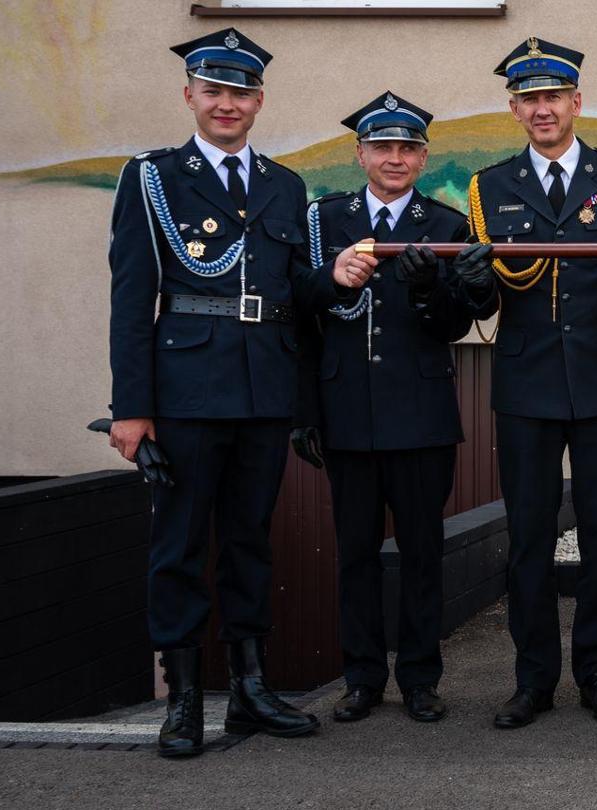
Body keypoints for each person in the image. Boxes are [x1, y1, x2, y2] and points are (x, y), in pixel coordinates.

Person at [108, 27, 348, 757]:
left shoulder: (285, 184)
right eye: (214, 90)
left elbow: (292, 296)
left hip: (263, 389)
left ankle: (249, 689)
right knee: (178, 544)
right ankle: (182, 701)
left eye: (241, 92)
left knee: (250, 543)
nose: (227, 104)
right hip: (185, 389)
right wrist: (131, 407)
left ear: (259, 101)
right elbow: (131, 297)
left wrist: (333, 281)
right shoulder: (153, 176)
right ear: (191, 96)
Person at [448, 36, 597, 729]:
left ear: (576, 102)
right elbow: (480, 304)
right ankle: (534, 679)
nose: (543, 109)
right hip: (526, 386)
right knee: (530, 540)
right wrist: (472, 285)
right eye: (530, 99)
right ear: (515, 109)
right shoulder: (489, 187)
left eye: (554, 97)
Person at [296, 91, 493, 725]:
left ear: (424, 157)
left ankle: (419, 678)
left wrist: (431, 287)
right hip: (347, 411)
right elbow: (297, 310)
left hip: (420, 413)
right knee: (354, 552)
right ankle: (361, 678)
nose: (395, 158)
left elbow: (460, 319)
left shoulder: (445, 225)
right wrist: (306, 411)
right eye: (383, 147)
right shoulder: (323, 220)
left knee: (421, 552)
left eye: (407, 148)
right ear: (360, 155)